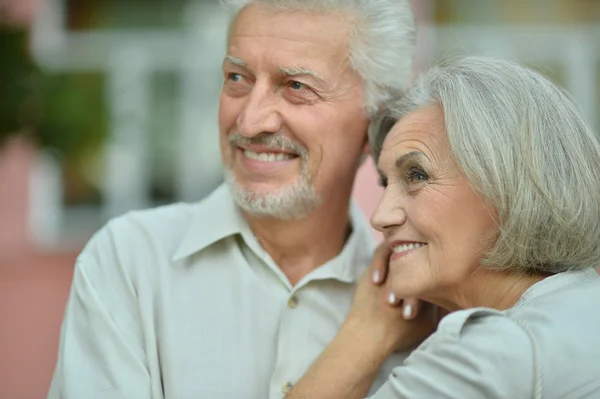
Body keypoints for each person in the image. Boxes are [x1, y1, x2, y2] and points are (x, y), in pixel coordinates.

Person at [47, 1, 418, 398]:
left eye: (296, 86)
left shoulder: (423, 304)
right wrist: (363, 342)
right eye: (237, 77)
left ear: (376, 123)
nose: (250, 121)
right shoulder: (129, 263)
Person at [287, 56, 600, 399]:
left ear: (508, 187)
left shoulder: (491, 353)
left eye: (417, 175)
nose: (380, 216)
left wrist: (368, 331)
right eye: (384, 183)